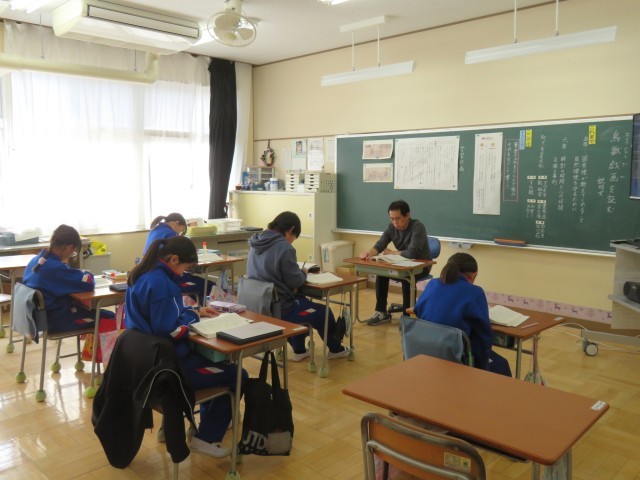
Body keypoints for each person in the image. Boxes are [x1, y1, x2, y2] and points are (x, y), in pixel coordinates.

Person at [125, 235, 246, 458]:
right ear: (173, 259)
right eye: (186, 268)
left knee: (212, 362)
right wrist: (192, 317)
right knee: (236, 374)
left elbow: (160, 316)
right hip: (168, 370)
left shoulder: (143, 275)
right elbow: (172, 330)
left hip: (145, 362)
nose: (184, 273)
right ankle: (206, 437)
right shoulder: (163, 284)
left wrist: (194, 310)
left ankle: (201, 425)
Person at [246, 211, 349, 362]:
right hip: (279, 310)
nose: (292, 242)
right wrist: (303, 273)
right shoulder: (284, 247)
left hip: (256, 306)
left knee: (302, 301)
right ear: (291, 230)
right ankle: (335, 349)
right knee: (322, 312)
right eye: (294, 238)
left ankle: (299, 350)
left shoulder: (255, 242)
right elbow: (295, 281)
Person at [412, 252, 512, 377]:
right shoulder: (475, 292)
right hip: (454, 358)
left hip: (424, 352)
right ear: (474, 275)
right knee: (502, 365)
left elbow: (418, 311)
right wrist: (482, 368)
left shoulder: (432, 284)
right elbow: (484, 337)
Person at [23, 224, 114, 332]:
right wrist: (87, 273)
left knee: (96, 313)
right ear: (69, 248)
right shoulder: (56, 269)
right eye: (73, 252)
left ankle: (91, 344)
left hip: (36, 318)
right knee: (111, 318)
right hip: (56, 320)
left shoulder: (35, 261)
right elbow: (88, 283)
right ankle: (99, 344)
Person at [359, 200, 430, 326]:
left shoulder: (418, 227)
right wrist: (369, 253)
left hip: (421, 266)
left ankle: (408, 317)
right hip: (400, 264)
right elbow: (380, 245)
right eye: (392, 219)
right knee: (382, 273)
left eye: (398, 218)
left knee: (407, 277)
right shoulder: (391, 227)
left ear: (407, 215)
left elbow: (412, 253)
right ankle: (381, 312)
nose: (395, 222)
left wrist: (392, 253)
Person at [143, 212, 205, 303]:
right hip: (164, 274)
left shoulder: (154, 230)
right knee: (204, 285)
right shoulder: (171, 234)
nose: (179, 234)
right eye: (180, 231)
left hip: (151, 270)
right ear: (176, 223)